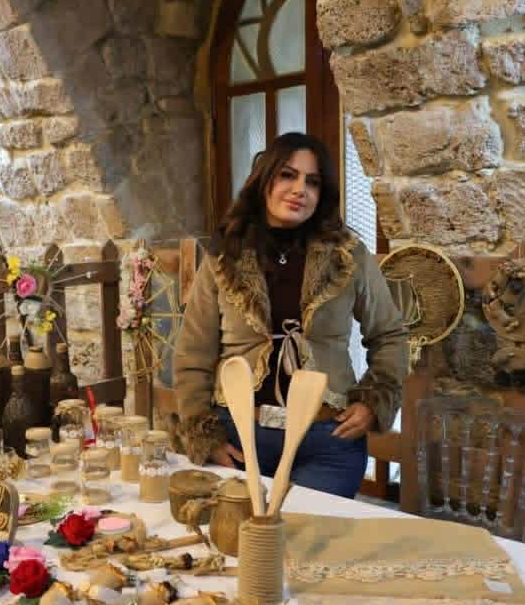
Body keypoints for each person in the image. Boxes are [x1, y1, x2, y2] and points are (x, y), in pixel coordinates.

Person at [173, 132, 408, 498]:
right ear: (264, 179)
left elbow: (390, 335)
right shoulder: (225, 257)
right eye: (287, 175)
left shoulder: (348, 256)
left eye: (312, 182)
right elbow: (193, 353)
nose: (300, 189)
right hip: (239, 437)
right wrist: (205, 435)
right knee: (240, 534)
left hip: (327, 442)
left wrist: (373, 401)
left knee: (310, 533)